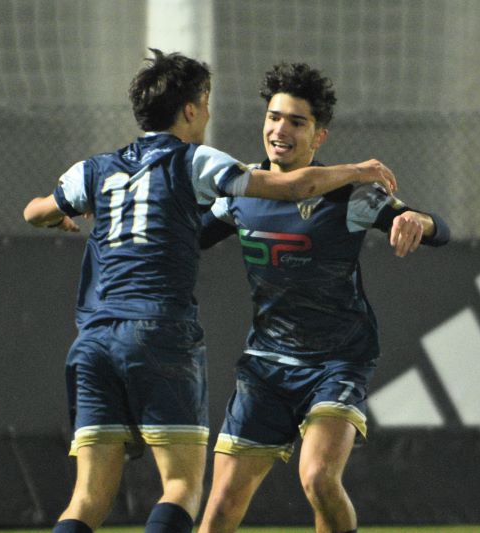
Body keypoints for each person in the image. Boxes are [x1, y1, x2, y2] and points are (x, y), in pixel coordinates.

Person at [23, 50, 397, 533]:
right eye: (206, 101)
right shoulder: (195, 161)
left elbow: (34, 211)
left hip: (93, 340)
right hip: (159, 333)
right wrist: (357, 170)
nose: (208, 111)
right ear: (191, 110)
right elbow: (288, 188)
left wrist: (58, 217)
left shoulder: (93, 170)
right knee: (182, 487)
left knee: (87, 498)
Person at [197, 63, 451, 533]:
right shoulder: (239, 190)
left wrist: (418, 221)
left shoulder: (350, 196)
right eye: (274, 117)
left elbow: (439, 229)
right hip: (266, 365)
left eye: (296, 122)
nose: (280, 130)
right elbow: (188, 237)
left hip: (338, 361)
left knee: (317, 478)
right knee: (221, 507)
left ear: (319, 137)